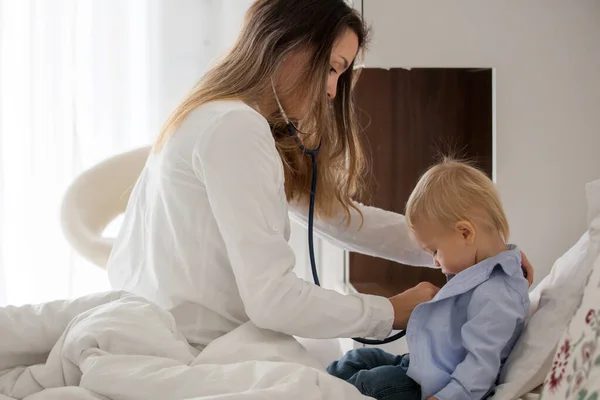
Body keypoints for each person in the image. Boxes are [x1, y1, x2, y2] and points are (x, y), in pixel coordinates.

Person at [107, 0, 533, 351]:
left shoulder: (227, 118)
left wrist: (467, 246)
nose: (332, 91)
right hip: (199, 347)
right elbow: (272, 300)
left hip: (186, 331)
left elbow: (339, 219)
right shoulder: (235, 129)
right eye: (331, 68)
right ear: (287, 46)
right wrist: (392, 310)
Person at [327, 159, 530, 400]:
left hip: (434, 387)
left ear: (465, 232)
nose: (434, 262)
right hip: (419, 367)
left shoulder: (498, 294)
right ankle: (314, 388)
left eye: (434, 251)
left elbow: (480, 367)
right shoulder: (480, 271)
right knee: (357, 359)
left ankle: (319, 394)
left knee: (368, 384)